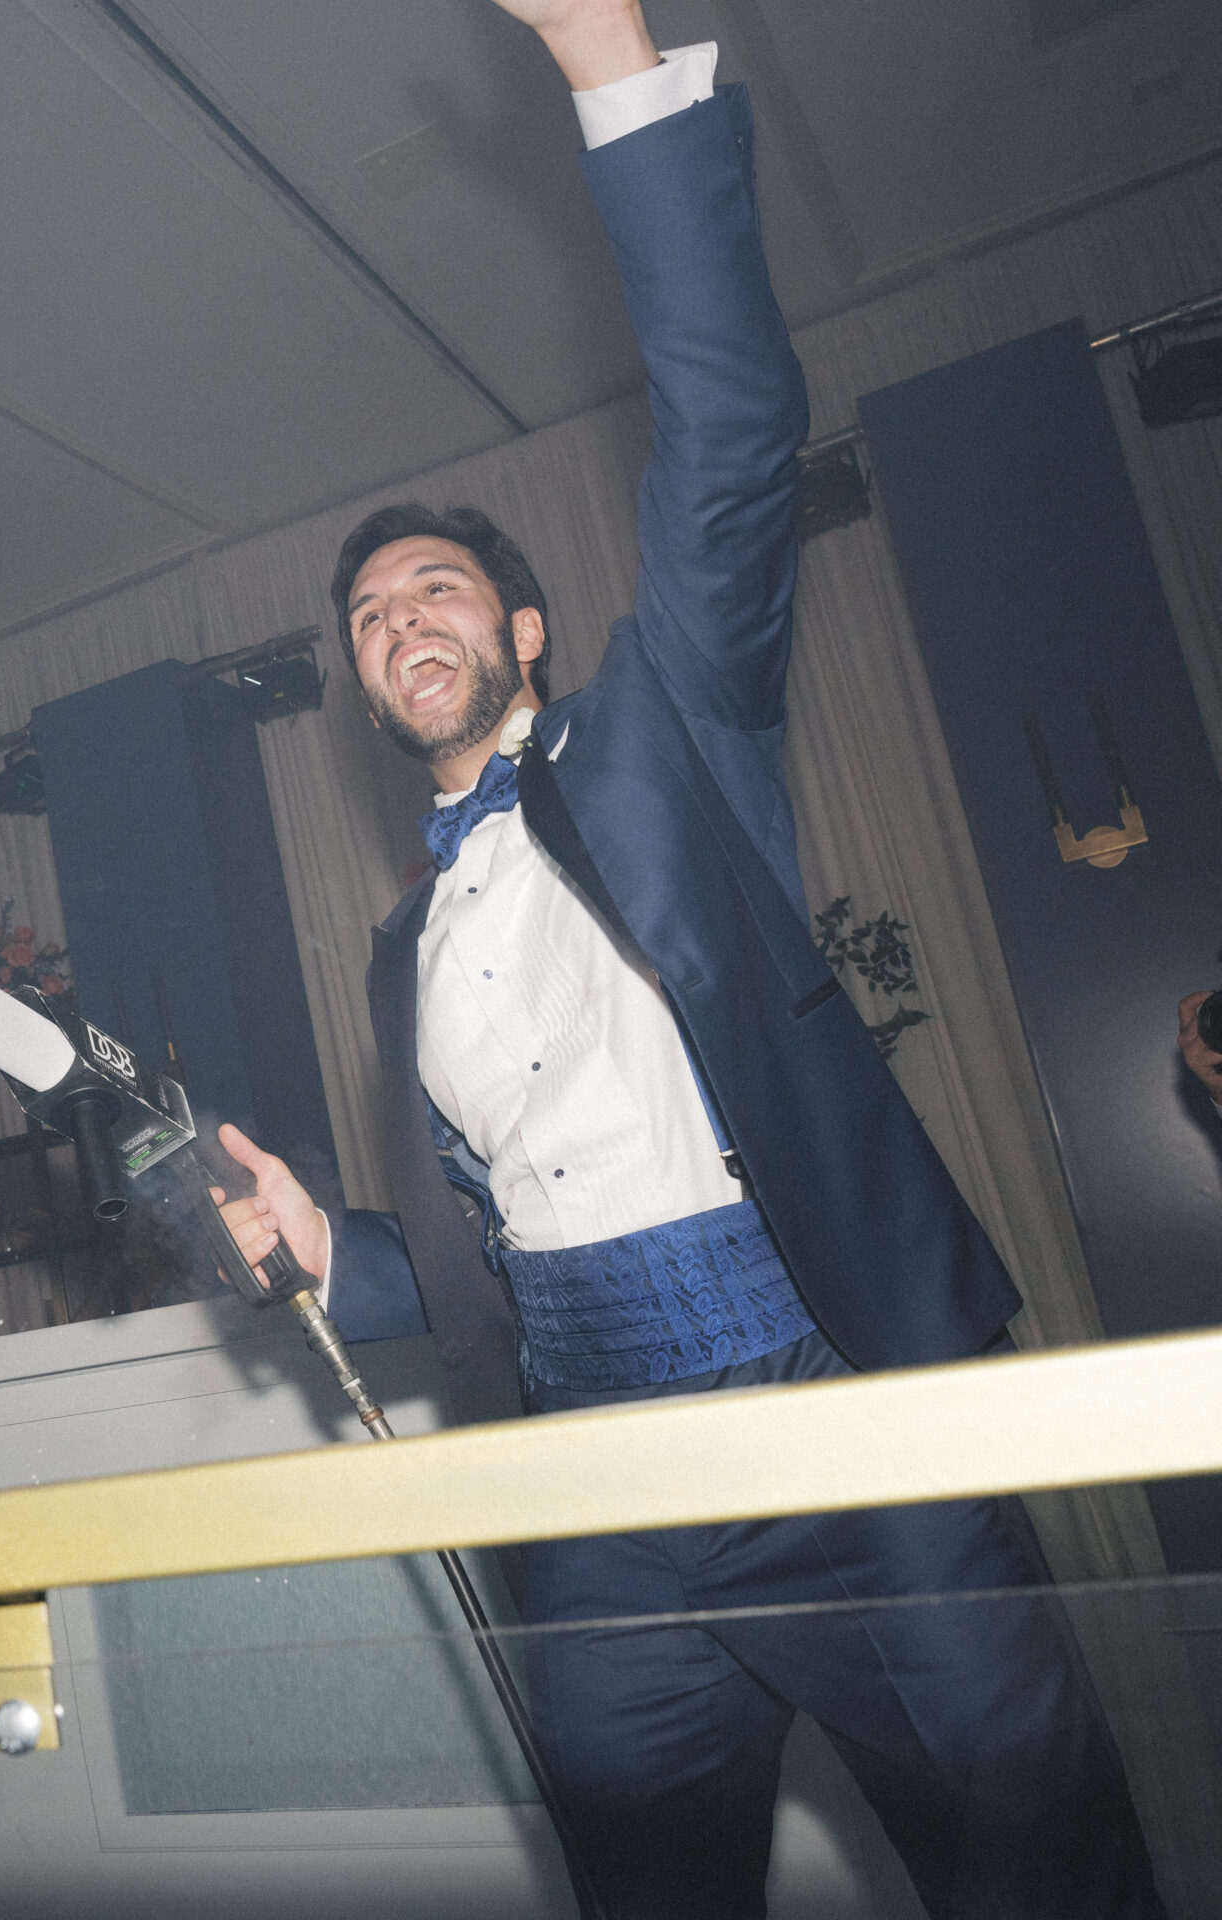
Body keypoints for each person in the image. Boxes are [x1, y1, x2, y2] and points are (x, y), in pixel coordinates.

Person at [213, 3, 1163, 1913]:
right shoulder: (406, 953)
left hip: (838, 1429)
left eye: (438, 585)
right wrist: (331, 1250)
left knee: (1031, 1860)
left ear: (530, 631)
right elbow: (497, 1252)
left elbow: (732, 425)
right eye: (370, 610)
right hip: (595, 1507)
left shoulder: (672, 725)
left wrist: (603, 65)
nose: (398, 617)